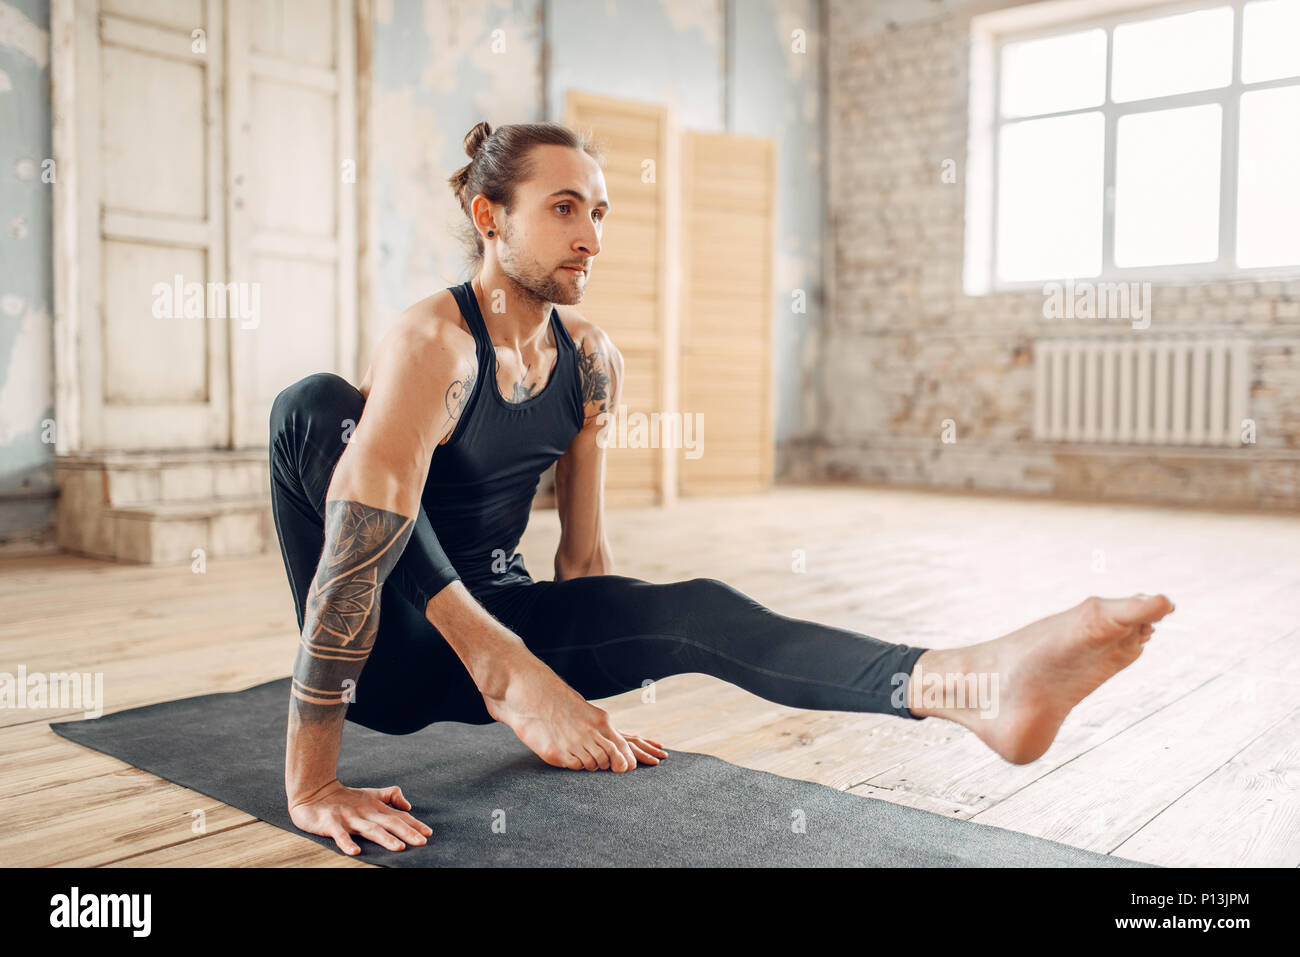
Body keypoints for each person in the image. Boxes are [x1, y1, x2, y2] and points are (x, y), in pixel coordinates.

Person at [268, 120, 1175, 857]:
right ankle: (458, 693)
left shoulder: (588, 358)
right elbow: (355, 558)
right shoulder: (434, 341)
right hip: (386, 658)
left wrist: (580, 679)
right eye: (563, 207)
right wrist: (322, 779)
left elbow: (582, 557)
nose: (592, 235)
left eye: (601, 210)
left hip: (512, 632)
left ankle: (962, 685)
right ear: (490, 216)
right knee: (317, 407)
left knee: (694, 604)